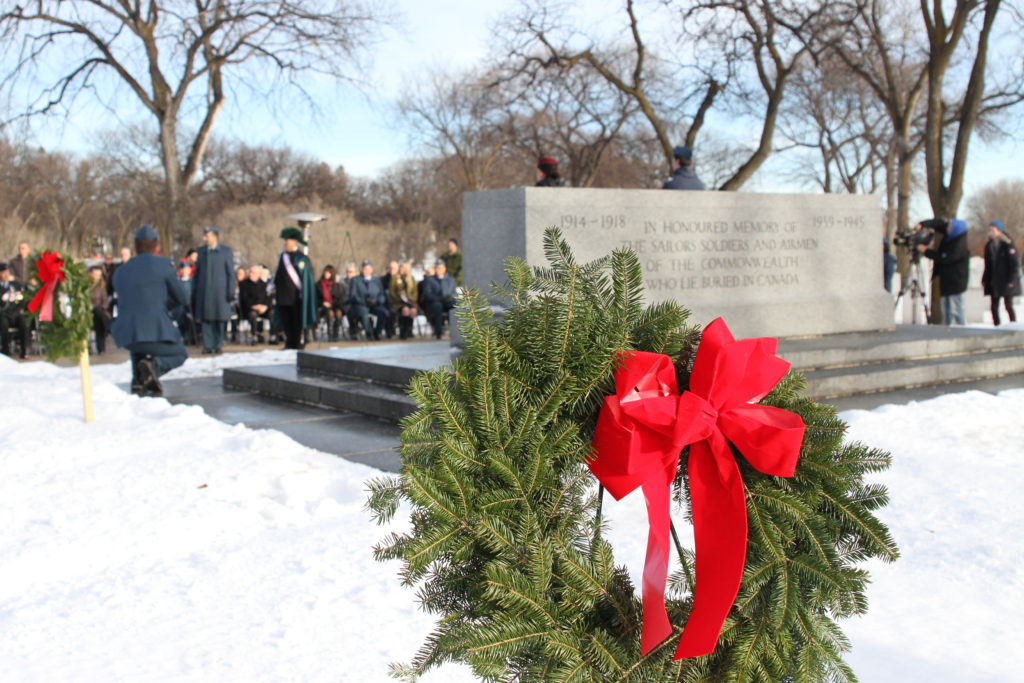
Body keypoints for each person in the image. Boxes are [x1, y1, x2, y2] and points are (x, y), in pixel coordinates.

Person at [111, 224, 189, 396]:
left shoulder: (120, 271)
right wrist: (165, 305)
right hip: (155, 331)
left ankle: (138, 379)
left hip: (127, 334)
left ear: (134, 247)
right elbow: (182, 298)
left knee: (138, 348)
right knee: (180, 354)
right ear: (157, 247)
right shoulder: (163, 266)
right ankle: (154, 368)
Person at [916, 217, 969, 325]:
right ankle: (947, 326)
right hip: (947, 279)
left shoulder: (959, 245)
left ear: (955, 230)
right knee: (946, 308)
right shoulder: (952, 235)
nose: (947, 228)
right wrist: (923, 224)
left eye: (950, 227)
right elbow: (939, 223)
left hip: (956, 280)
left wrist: (926, 251)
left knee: (956, 307)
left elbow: (944, 258)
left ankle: (961, 327)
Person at [191, 226, 235, 353]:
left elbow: (230, 273)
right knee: (206, 319)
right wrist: (194, 288)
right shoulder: (202, 251)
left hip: (220, 292)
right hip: (204, 291)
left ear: (215, 236)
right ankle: (208, 345)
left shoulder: (225, 251)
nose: (205, 238)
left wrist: (231, 291)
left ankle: (218, 344)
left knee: (219, 319)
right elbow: (197, 273)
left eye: (208, 236)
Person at [273, 227, 316, 349]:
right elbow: (279, 274)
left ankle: (297, 342)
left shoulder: (301, 258)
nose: (285, 243)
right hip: (283, 295)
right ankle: (289, 342)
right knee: (286, 320)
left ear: (294, 241)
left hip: (296, 296)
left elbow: (306, 278)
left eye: (287, 240)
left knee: (296, 320)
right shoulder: (283, 256)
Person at [981, 220, 1021, 326]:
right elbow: (988, 265)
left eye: (993, 230)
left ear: (999, 231)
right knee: (994, 306)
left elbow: (1014, 263)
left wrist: (1012, 280)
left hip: (1006, 279)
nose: (991, 233)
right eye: (990, 230)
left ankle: (1013, 325)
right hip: (995, 280)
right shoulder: (989, 245)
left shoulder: (1007, 243)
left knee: (1008, 305)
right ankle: (996, 325)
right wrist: (985, 279)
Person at [349, 259, 390, 341]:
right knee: (364, 314)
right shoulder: (355, 280)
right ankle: (369, 333)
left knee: (384, 313)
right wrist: (363, 301)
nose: (366, 271)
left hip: (375, 304)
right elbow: (353, 295)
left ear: (372, 269)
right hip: (362, 305)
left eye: (368, 268)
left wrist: (377, 301)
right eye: (364, 268)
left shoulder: (377, 280)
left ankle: (377, 333)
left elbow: (382, 295)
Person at [421, 259, 457, 339]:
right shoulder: (430, 280)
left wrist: (450, 298)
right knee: (437, 306)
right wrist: (437, 298)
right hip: (435, 303)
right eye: (437, 268)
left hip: (448, 302)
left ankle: (455, 331)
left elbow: (454, 293)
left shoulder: (450, 280)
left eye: (440, 268)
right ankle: (439, 332)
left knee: (454, 305)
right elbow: (427, 294)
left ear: (444, 269)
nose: (438, 270)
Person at [0, 261, 30, 359]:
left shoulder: (15, 285)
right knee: (3, 323)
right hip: (3, 314)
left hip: (15, 313)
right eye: (3, 273)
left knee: (24, 321)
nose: (6, 275)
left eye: (7, 272)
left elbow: (22, 299)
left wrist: (21, 309)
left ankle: (24, 350)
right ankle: (5, 350)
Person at [239, 264, 272, 344]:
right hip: (250, 309)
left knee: (272, 313)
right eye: (250, 272)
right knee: (253, 315)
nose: (250, 274)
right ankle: (254, 336)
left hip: (263, 309)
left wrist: (265, 306)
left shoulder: (264, 284)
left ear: (258, 274)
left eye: (253, 272)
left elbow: (268, 298)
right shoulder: (244, 284)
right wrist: (254, 306)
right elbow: (244, 298)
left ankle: (273, 336)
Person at [315, 265, 347, 341]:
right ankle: (330, 335)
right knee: (330, 313)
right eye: (325, 272)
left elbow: (340, 299)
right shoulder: (319, 285)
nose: (326, 274)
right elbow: (316, 298)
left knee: (338, 312)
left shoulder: (336, 286)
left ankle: (335, 335)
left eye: (328, 273)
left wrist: (334, 305)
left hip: (335, 306)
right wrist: (323, 302)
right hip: (323, 307)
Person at [389, 261, 419, 339]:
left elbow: (415, 291)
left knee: (413, 311)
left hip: (410, 302)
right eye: (400, 267)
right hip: (399, 303)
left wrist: (412, 300)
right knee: (405, 310)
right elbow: (392, 291)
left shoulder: (411, 278)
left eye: (403, 267)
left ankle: (409, 330)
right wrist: (399, 299)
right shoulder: (395, 278)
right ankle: (403, 331)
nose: (401, 269)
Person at [87, 265, 112, 354]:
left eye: (99, 275)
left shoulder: (101, 286)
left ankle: (101, 348)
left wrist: (103, 307)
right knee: (99, 314)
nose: (98, 277)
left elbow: (105, 300)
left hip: (99, 311)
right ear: (90, 274)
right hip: (89, 312)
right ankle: (109, 328)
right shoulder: (86, 286)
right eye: (96, 274)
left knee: (99, 317)